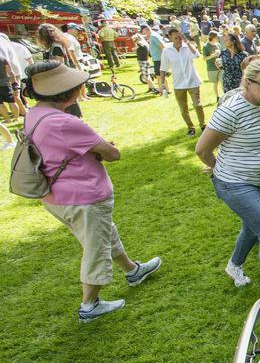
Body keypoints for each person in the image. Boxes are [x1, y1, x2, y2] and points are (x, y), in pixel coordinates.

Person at [22, 61, 161, 321]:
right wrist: (103, 148)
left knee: (106, 232)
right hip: (82, 196)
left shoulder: (33, 114)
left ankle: (132, 271)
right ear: (66, 92)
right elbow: (113, 154)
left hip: (55, 196)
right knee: (96, 247)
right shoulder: (65, 122)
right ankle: (90, 305)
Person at [195, 58, 260, 294]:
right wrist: (217, 168)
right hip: (234, 182)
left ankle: (234, 266)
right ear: (247, 82)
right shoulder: (231, 110)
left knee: (253, 228)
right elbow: (202, 149)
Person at [159, 27, 205, 137]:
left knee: (197, 104)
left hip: (192, 81)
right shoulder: (167, 50)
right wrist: (162, 84)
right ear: (170, 38)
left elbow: (197, 55)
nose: (178, 40)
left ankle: (203, 125)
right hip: (178, 84)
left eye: (180, 37)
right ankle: (190, 127)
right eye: (176, 38)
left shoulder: (187, 47)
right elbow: (163, 68)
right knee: (183, 108)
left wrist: (187, 41)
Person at [36, 23, 82, 117]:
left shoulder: (56, 46)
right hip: (61, 78)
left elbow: (60, 65)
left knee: (66, 101)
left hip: (61, 79)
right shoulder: (56, 45)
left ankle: (72, 118)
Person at [146, 25, 167, 96]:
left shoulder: (154, 36)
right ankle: (165, 90)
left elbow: (162, 46)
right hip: (156, 58)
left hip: (159, 58)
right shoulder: (153, 36)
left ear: (147, 30)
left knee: (159, 75)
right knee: (160, 75)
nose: (144, 34)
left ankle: (162, 90)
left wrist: (164, 56)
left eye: (144, 32)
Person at [202, 31, 222, 101]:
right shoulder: (206, 46)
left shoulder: (218, 45)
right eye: (217, 37)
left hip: (220, 66)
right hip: (212, 67)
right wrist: (213, 55)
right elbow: (204, 58)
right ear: (212, 38)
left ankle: (225, 96)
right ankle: (217, 97)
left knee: (223, 81)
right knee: (215, 83)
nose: (218, 38)